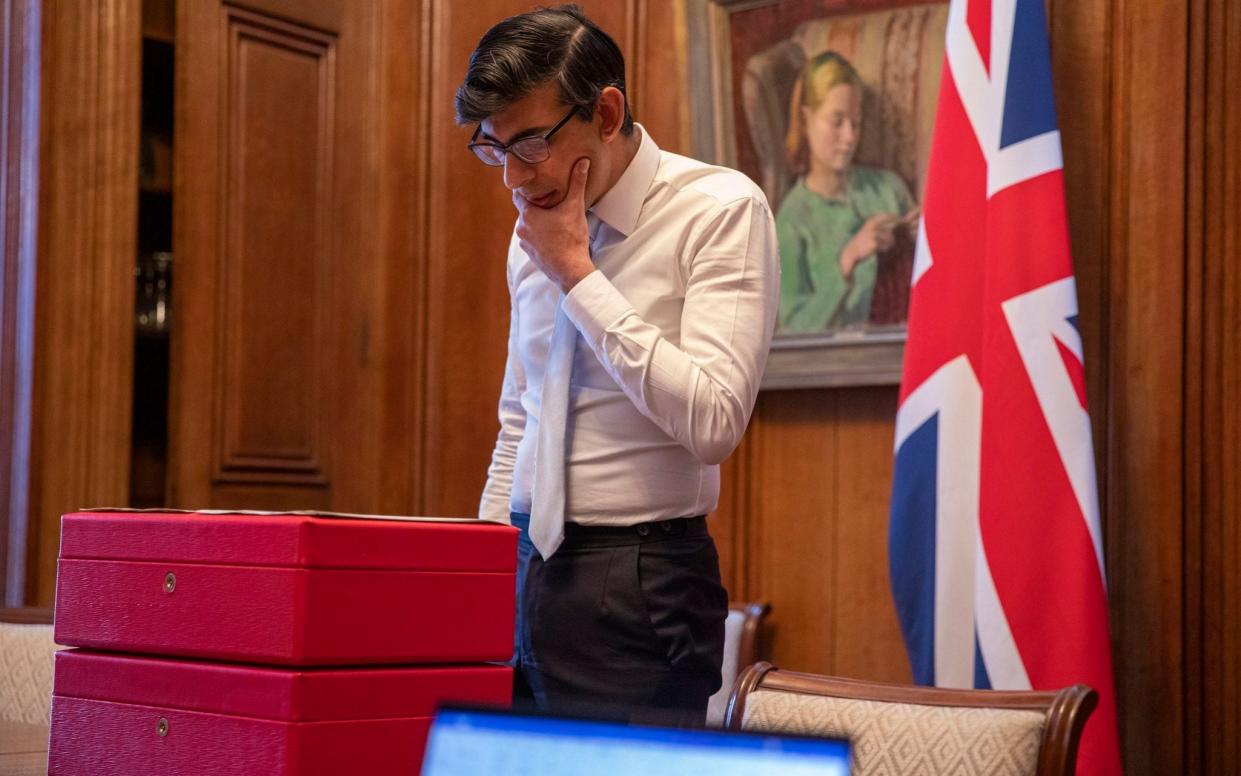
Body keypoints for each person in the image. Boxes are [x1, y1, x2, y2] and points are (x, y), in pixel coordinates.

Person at [457, 5, 778, 725]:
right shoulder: (530, 230)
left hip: (640, 580)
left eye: (532, 143)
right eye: (494, 148)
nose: (513, 177)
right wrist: (479, 576)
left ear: (605, 112)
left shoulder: (719, 209)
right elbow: (522, 418)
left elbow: (713, 421)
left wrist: (578, 275)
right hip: (519, 567)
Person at [776, 51, 918, 333]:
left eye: (856, 123)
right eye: (837, 121)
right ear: (806, 120)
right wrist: (847, 260)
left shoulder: (889, 188)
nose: (850, 137)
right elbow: (791, 330)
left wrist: (925, 238)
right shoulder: (791, 220)